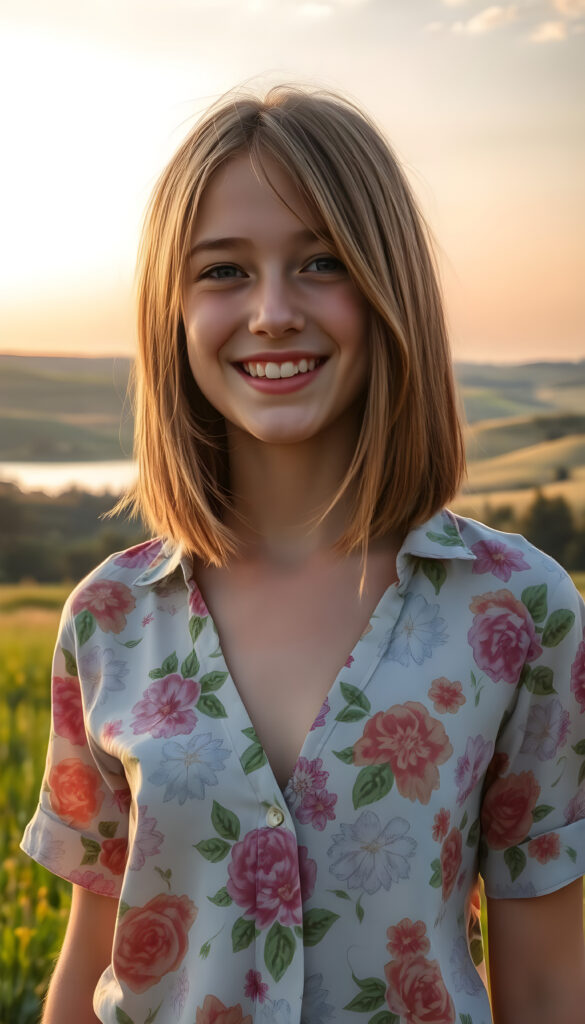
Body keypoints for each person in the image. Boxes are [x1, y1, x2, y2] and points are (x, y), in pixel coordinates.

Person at [21, 85, 585, 1024]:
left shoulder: (519, 610)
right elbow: (91, 968)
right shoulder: (109, 617)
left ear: (387, 284)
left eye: (321, 262)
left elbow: (546, 984)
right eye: (223, 271)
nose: (273, 311)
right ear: (173, 309)